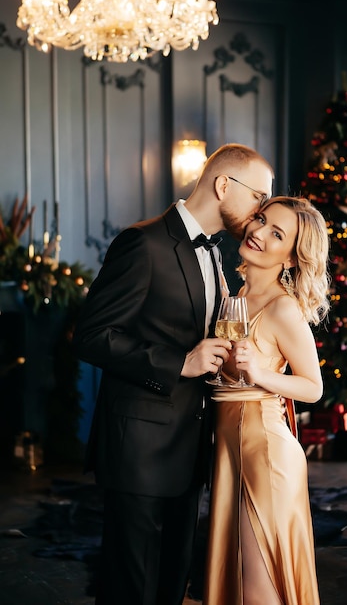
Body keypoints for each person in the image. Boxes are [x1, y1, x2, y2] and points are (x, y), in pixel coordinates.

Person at [72, 143, 274, 605]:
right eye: (259, 197)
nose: (261, 212)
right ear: (224, 185)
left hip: (190, 451)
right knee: (132, 589)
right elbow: (91, 335)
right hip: (138, 453)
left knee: (170, 585)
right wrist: (178, 362)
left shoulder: (218, 257)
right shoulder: (142, 242)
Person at [203, 196, 331, 605]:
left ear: (292, 258)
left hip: (266, 454)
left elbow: (314, 387)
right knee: (238, 583)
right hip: (231, 449)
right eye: (260, 219)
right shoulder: (237, 296)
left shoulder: (283, 309)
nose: (257, 232)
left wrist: (260, 374)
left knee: (258, 586)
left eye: (277, 233)